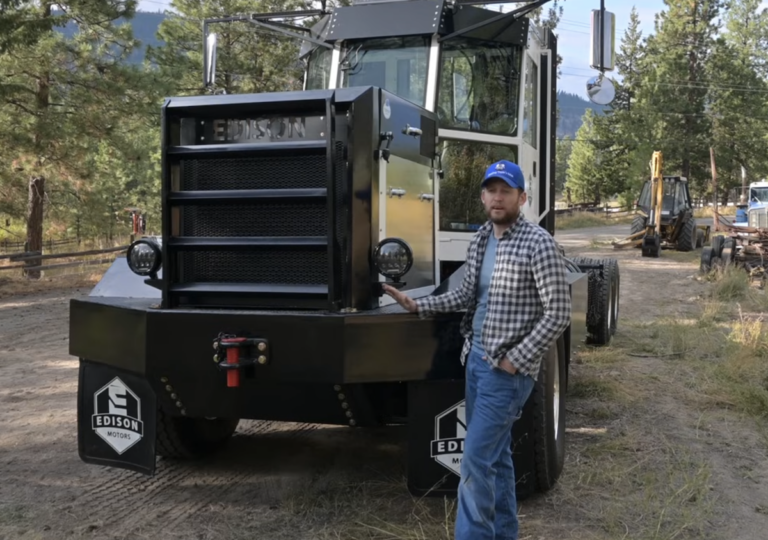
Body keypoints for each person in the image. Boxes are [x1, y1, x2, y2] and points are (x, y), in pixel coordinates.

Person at [382, 159, 571, 540]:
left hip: (506, 373)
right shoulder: (482, 238)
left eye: (506, 191)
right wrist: (418, 305)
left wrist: (516, 360)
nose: (498, 197)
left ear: (522, 197)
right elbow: (467, 295)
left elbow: (559, 312)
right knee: (496, 459)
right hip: (477, 362)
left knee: (473, 462)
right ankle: (504, 533)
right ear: (483, 196)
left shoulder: (539, 243)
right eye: (492, 190)